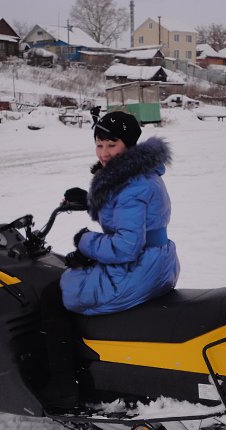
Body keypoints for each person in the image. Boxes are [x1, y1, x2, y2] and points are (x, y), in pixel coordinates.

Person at [60, 111, 180, 315]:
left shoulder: (132, 184)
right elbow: (127, 214)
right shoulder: (137, 174)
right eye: (99, 145)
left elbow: (126, 246)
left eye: (111, 144)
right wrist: (90, 200)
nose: (103, 153)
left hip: (138, 268)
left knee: (60, 292)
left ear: (129, 145)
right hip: (154, 263)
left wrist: (85, 241)